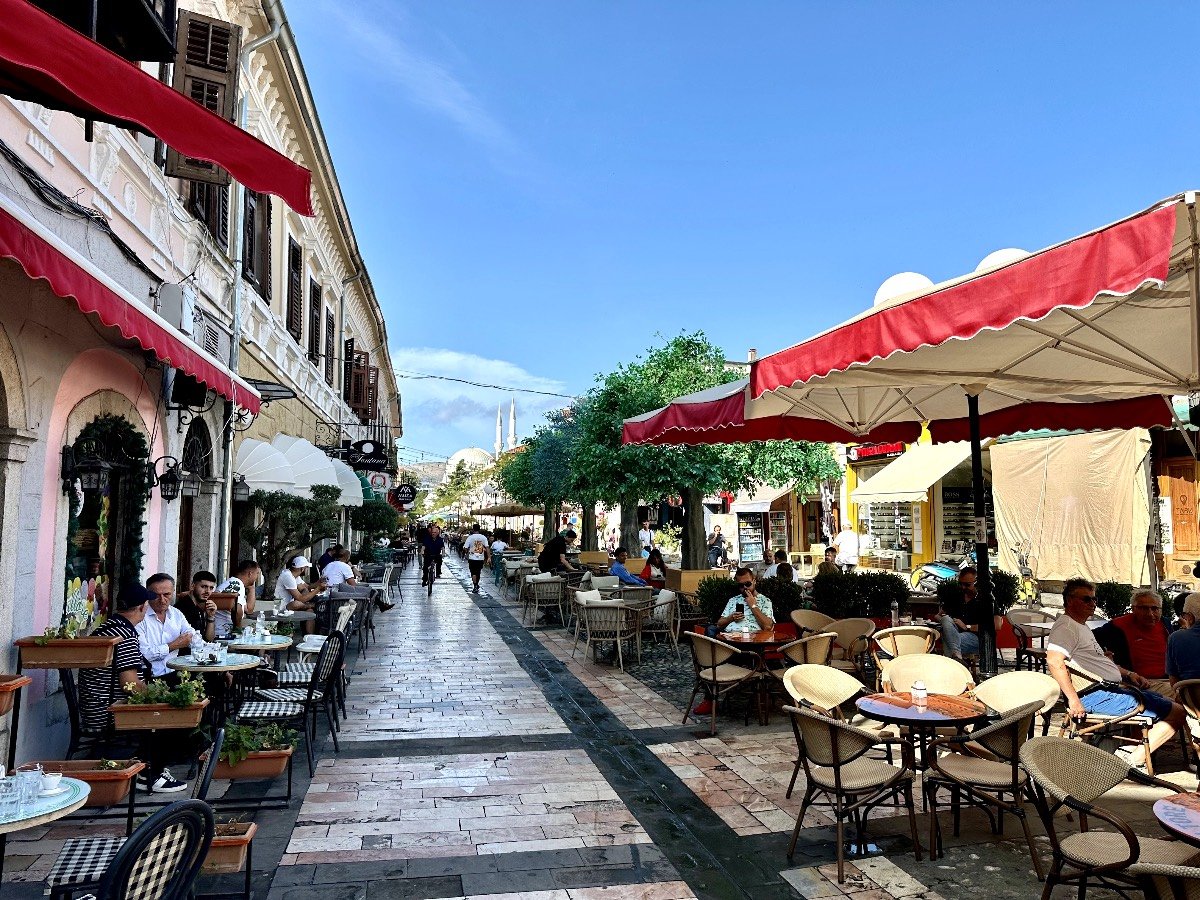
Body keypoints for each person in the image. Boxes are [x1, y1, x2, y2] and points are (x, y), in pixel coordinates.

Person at [1046, 578, 1184, 770]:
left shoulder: (1080, 626)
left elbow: (1096, 660)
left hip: (1114, 688)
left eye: (1093, 599)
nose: (1092, 604)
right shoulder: (1067, 627)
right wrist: (1073, 700)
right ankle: (1133, 760)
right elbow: (1054, 660)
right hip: (1099, 695)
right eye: (1086, 599)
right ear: (1069, 600)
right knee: (1178, 711)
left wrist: (1128, 673)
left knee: (1164, 701)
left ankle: (1132, 752)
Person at [79, 583, 187, 793]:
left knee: (170, 697)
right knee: (172, 713)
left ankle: (148, 767)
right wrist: (163, 699)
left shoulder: (109, 626)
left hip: (95, 704)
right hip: (107, 711)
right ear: (142, 607)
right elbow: (130, 685)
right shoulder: (125, 635)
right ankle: (150, 773)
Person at [1095, 589, 1174, 696]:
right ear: (1133, 609)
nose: (1150, 614)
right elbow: (1090, 638)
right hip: (1139, 684)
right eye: (1144, 608)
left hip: (1167, 679)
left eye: (1155, 608)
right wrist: (1103, 656)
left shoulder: (1165, 624)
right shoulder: (1118, 626)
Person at [136, 574, 196, 680]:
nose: (162, 600)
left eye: (167, 594)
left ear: (173, 592)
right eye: (156, 595)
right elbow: (142, 655)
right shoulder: (139, 616)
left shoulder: (176, 613)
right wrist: (172, 646)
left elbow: (190, 634)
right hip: (149, 677)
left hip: (173, 673)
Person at [939, 567, 985, 660]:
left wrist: (967, 626)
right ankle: (957, 657)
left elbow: (996, 625)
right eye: (961, 584)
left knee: (948, 639)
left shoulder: (984, 599)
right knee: (946, 619)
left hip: (977, 637)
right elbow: (939, 615)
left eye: (967, 585)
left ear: (976, 583)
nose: (963, 587)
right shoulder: (957, 596)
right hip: (956, 633)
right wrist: (950, 623)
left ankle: (954, 661)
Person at [717, 568, 775, 633]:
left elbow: (768, 627)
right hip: (730, 638)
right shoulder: (733, 600)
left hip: (754, 639)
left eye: (748, 584)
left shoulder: (765, 600)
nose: (745, 587)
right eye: (741, 585)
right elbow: (719, 625)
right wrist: (730, 618)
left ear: (754, 581)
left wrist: (753, 606)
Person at [216, 559, 261, 637]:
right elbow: (237, 610)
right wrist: (238, 631)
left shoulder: (236, 583)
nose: (257, 577)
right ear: (250, 574)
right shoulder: (236, 584)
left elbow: (249, 610)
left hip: (224, 629)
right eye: (257, 574)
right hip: (222, 632)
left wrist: (252, 588)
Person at [177, 570, 219, 643]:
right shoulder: (183, 608)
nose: (208, 591)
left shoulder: (199, 607)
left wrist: (210, 617)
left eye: (211, 588)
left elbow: (208, 640)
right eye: (204, 587)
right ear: (193, 586)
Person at [1168, 593, 1200, 684]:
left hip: (1192, 696)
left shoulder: (1176, 638)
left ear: (1189, 617)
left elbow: (1173, 679)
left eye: (1184, 615)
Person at [463, 525, 490, 592]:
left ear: (473, 529)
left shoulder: (470, 537)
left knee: (473, 572)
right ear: (479, 529)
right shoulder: (483, 537)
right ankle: (476, 584)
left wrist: (467, 551)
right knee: (478, 572)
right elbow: (487, 547)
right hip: (480, 558)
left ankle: (475, 585)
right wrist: (489, 557)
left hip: (472, 557)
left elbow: (465, 547)